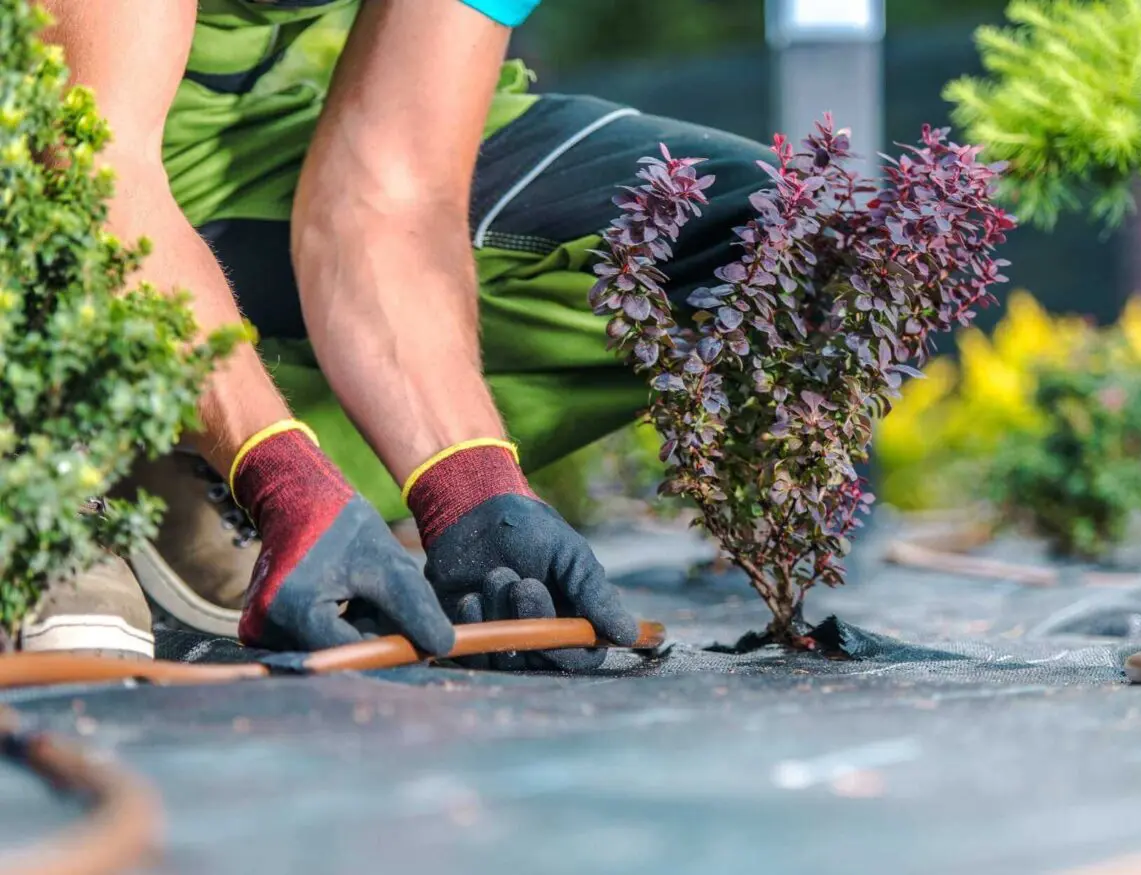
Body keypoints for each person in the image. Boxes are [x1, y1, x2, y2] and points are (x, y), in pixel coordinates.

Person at [24, 0, 771, 669]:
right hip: (46, 123)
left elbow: (389, 191)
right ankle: (42, 461)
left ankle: (169, 449)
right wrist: (281, 474)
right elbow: (95, 161)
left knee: (782, 239)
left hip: (211, 154)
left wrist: (472, 491)